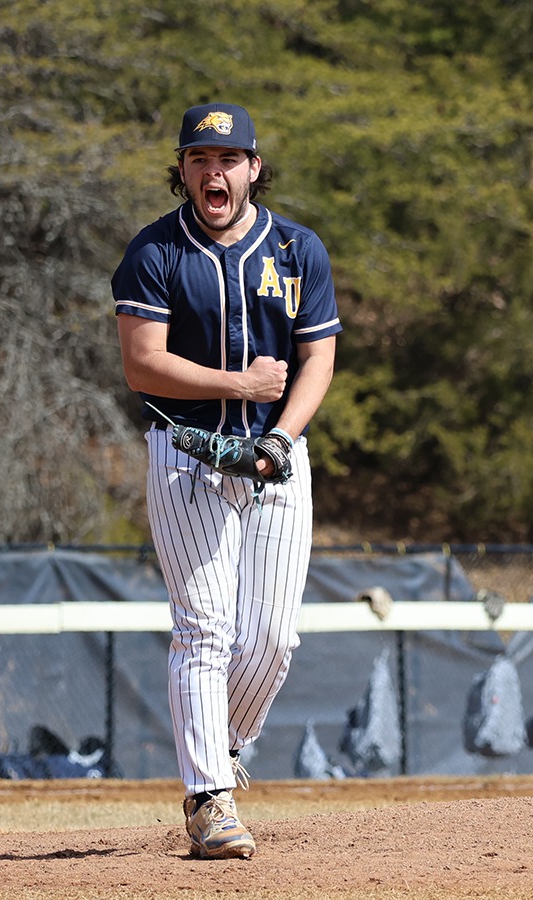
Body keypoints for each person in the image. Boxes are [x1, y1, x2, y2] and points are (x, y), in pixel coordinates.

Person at [111, 101, 341, 859]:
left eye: (229, 158)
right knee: (203, 628)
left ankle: (224, 745)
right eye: (200, 159)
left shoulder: (297, 248)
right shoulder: (154, 252)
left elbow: (317, 359)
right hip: (189, 454)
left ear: (254, 166)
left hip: (277, 456)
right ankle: (210, 797)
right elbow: (142, 361)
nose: (215, 171)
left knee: (272, 639)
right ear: (182, 169)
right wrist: (237, 385)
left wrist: (280, 434)